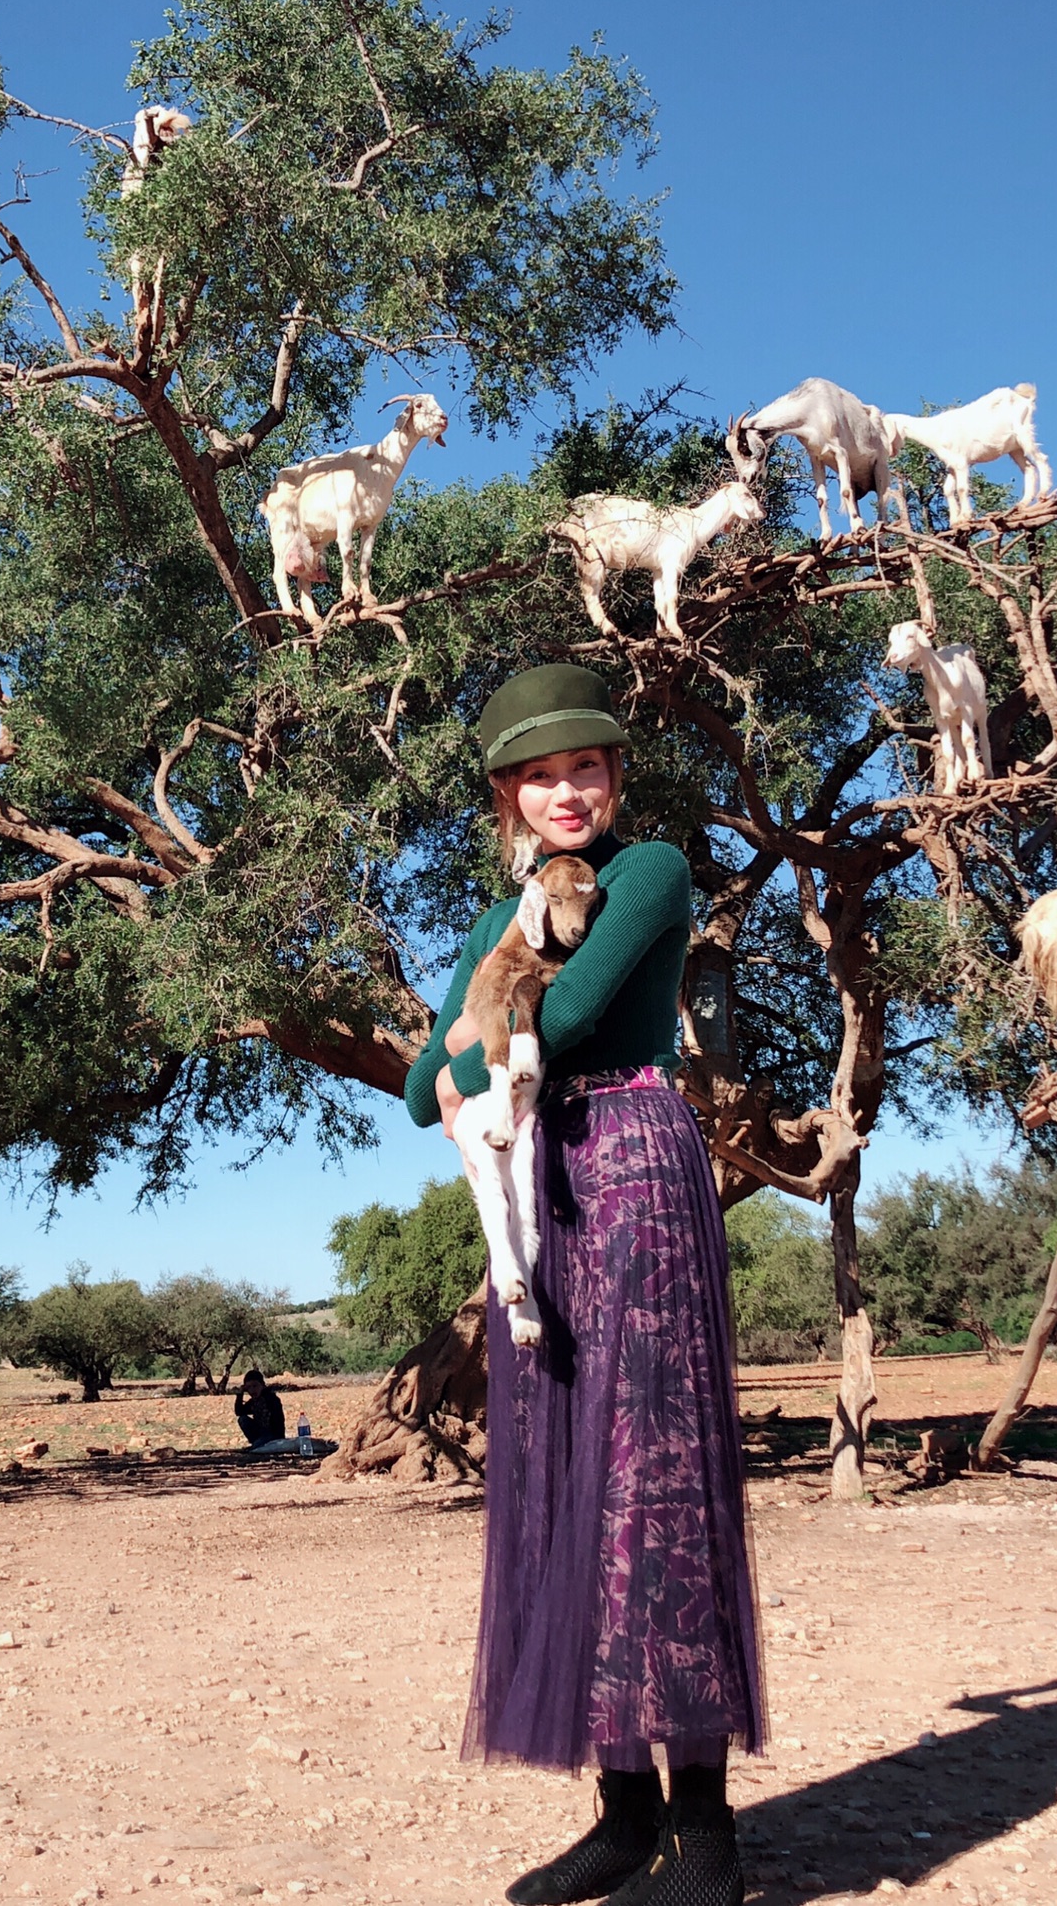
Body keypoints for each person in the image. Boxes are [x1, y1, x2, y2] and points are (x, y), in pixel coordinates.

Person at [405, 664, 763, 1906]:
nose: (569, 790)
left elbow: (555, 1027)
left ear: (616, 778)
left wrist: (475, 1042)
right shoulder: (493, 922)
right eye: (543, 773)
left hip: (632, 1167)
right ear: (508, 790)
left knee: (656, 1484)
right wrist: (473, 1037)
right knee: (562, 1480)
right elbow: (415, 1090)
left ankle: (706, 1839)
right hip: (537, 1193)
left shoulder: (648, 872)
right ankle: (623, 1813)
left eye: (589, 767)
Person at [234, 1368, 286, 1448]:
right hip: (261, 1433)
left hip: (273, 1435)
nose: (252, 1390)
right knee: (243, 1419)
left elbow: (277, 1425)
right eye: (248, 1388)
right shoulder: (254, 1401)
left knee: (257, 1446)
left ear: (262, 1385)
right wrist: (240, 1394)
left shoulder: (271, 1399)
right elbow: (239, 1412)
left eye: (255, 1386)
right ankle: (256, 1443)